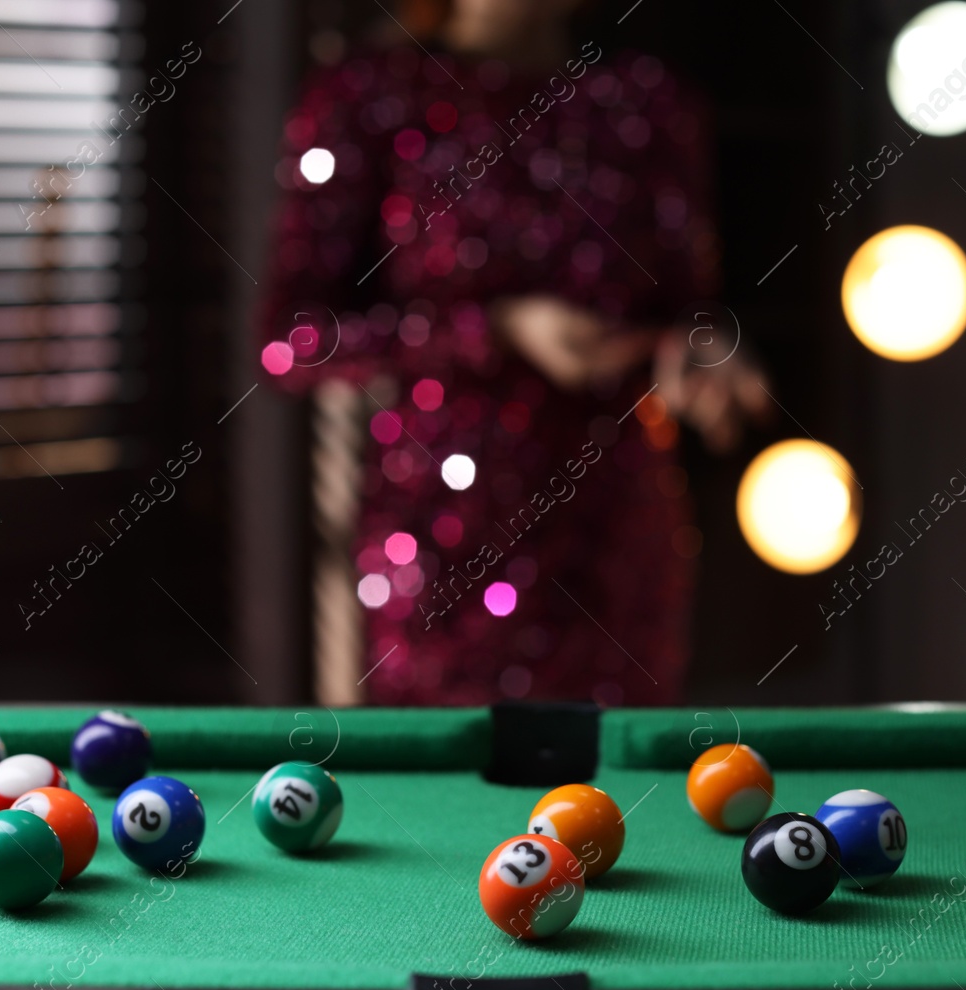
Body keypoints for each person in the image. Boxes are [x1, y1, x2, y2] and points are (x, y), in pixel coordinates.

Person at [257, 0, 769, 706]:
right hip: (447, 539)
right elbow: (291, 341)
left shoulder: (648, 98)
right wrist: (497, 328)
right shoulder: (372, 93)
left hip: (618, 529)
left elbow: (691, 306)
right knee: (452, 790)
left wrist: (705, 346)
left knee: (618, 785)